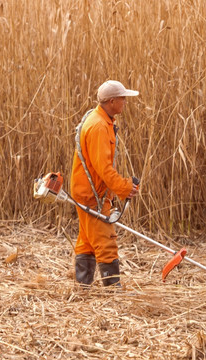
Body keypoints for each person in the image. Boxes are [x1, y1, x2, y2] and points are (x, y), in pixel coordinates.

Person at [70, 80, 140, 287]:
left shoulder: (99, 118)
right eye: (122, 98)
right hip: (92, 194)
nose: (125, 102)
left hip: (86, 191)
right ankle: (113, 293)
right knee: (106, 240)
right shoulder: (99, 126)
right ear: (111, 101)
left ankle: (83, 288)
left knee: (87, 241)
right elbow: (104, 168)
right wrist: (124, 188)